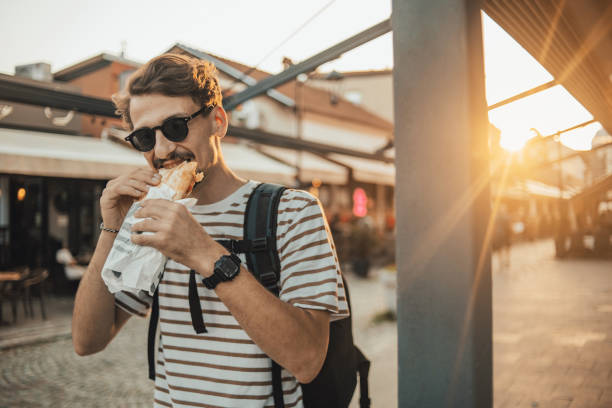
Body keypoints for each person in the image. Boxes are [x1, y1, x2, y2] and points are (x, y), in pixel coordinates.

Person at [72, 53, 348, 408]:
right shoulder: (150, 218)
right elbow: (88, 340)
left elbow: (307, 359)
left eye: (175, 127)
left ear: (217, 121)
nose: (162, 149)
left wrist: (205, 253)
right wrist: (111, 226)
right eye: (144, 138)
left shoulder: (294, 211)